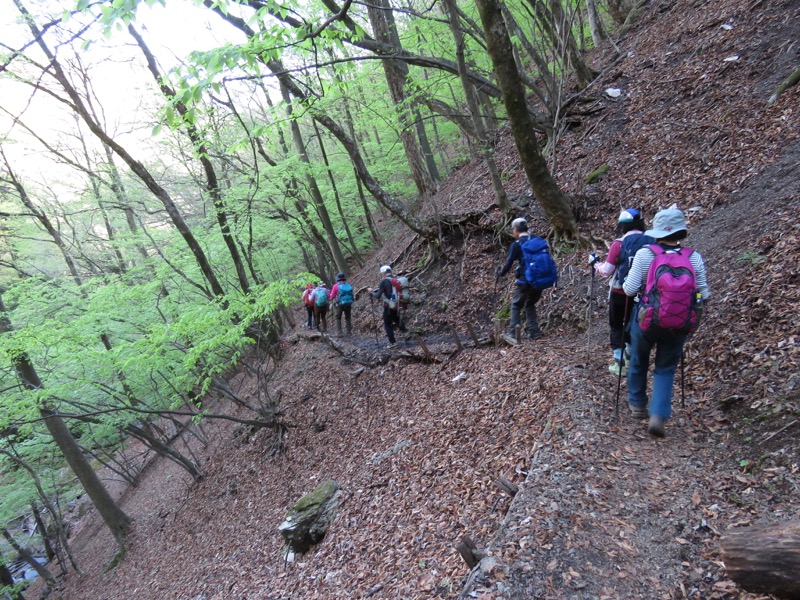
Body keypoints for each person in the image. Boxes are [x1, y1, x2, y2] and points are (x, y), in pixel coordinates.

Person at [623, 206, 710, 438]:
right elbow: (704, 293)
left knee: (639, 359)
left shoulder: (645, 254)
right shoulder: (693, 257)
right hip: (679, 322)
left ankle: (637, 404)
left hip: (647, 320)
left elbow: (630, 289)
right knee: (665, 368)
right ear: (681, 232)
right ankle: (658, 414)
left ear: (658, 232)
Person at [589, 208, 650, 375]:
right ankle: (630, 356)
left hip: (620, 291)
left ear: (622, 225)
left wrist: (595, 264)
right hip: (642, 293)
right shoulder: (650, 241)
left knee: (616, 324)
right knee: (632, 323)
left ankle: (619, 362)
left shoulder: (619, 243)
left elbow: (607, 270)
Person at [496, 218, 543, 341]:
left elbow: (509, 263)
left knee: (516, 305)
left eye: (512, 229)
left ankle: (513, 334)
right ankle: (535, 332)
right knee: (530, 303)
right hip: (540, 280)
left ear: (516, 230)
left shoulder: (517, 245)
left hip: (525, 281)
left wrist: (500, 273)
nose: (512, 231)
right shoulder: (537, 240)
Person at [369, 265, 404, 349]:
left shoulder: (384, 281)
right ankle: (406, 332)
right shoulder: (397, 278)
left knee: (387, 324)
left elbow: (377, 296)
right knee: (396, 318)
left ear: (383, 273)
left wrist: (371, 292)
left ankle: (393, 343)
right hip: (399, 303)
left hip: (389, 306)